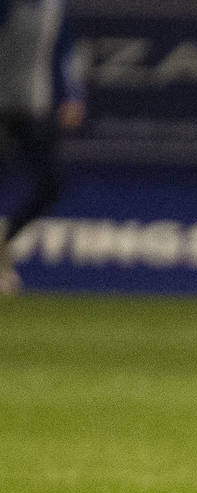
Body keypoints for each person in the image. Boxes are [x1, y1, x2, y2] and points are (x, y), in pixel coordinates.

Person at [0, 0, 85, 295]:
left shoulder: (53, 7)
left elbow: (65, 51)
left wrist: (73, 94)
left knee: (51, 183)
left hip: (34, 109)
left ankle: (4, 240)